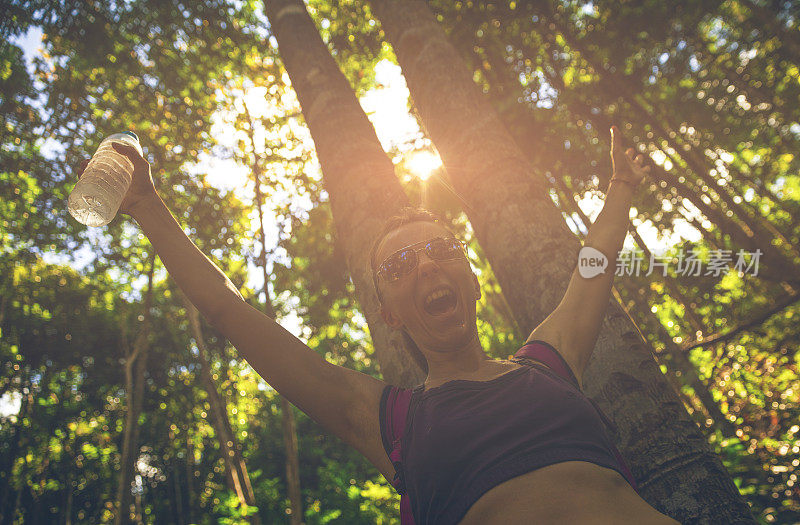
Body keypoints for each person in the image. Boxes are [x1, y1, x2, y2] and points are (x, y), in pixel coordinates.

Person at [76, 126, 678, 524]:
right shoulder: (391, 420)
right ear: (389, 314)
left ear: (470, 281)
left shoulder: (548, 363)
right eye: (398, 264)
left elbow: (593, 267)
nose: (426, 264)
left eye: (443, 249)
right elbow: (230, 310)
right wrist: (148, 207)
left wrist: (623, 183)